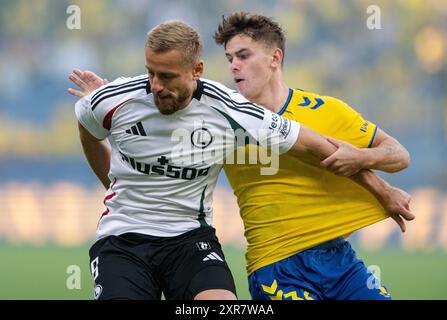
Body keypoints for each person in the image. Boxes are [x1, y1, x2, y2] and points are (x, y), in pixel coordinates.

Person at [69, 20, 413, 300]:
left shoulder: (239, 112)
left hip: (198, 243)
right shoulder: (116, 99)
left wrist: (379, 184)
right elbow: (88, 125)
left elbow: (322, 148)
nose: (156, 86)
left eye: (244, 55)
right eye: (151, 73)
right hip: (132, 240)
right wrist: (110, 179)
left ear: (197, 71)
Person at [213, 12, 414, 300]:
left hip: (340, 261)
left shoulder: (325, 110)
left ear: (275, 57)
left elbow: (399, 155)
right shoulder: (223, 121)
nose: (234, 66)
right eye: (229, 58)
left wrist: (360, 157)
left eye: (243, 56)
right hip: (276, 267)